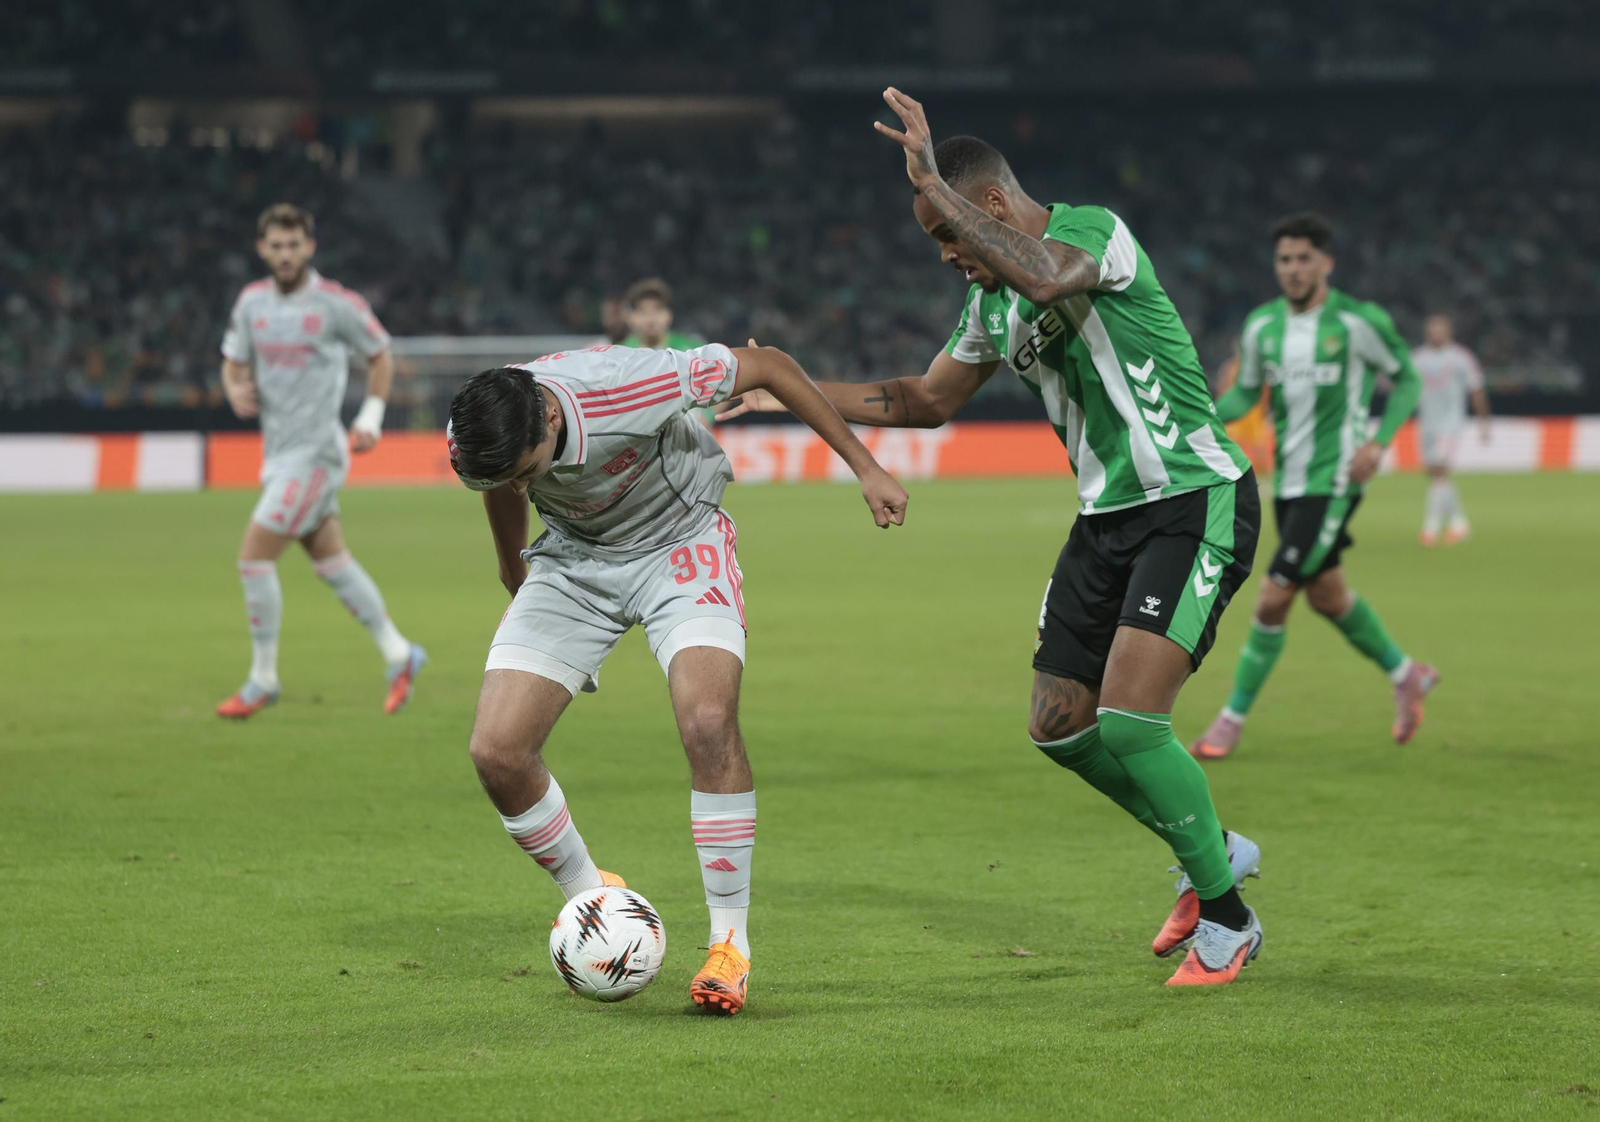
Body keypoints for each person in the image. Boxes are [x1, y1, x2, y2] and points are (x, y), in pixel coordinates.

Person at [724, 90, 1266, 986]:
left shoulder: (1094, 232)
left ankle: (1227, 916)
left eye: (952, 239)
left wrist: (935, 181)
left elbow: (1050, 276)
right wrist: (791, 387)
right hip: (1105, 519)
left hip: (1193, 497)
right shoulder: (990, 310)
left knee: (1133, 721)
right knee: (1059, 726)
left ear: (995, 209)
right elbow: (923, 401)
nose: (950, 262)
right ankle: (1211, 846)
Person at [447, 339, 907, 1015]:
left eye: (528, 471)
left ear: (548, 418)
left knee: (709, 722)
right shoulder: (482, 431)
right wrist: (513, 571)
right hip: (573, 564)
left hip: (680, 544)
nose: (521, 484)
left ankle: (729, 946)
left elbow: (773, 365)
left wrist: (866, 467)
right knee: (497, 751)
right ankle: (592, 894)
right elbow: (499, 483)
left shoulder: (628, 386)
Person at [1193, 214, 1438, 760]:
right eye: (1285, 259)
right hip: (1290, 482)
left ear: (1327, 263)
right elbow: (1245, 397)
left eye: (1305, 258)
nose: (1294, 269)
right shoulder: (1262, 327)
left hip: (1336, 479)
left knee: (1274, 596)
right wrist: (1203, 412)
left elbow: (1406, 378)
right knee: (1328, 597)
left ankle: (1231, 719)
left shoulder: (1357, 322)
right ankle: (1407, 674)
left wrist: (1379, 443)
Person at [217, 204, 425, 719]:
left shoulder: (336, 304)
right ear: (261, 249)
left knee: (253, 557)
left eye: (294, 245)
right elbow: (233, 360)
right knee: (332, 562)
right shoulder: (250, 304)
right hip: (279, 454)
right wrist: (233, 389)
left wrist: (372, 416)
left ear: (309, 247)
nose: (285, 255)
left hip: (316, 455)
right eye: (276, 245)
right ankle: (400, 654)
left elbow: (380, 353)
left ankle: (263, 678)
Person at [1412, 314, 1490, 546]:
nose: (1436, 333)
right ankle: (1459, 522)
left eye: (1440, 329)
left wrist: (1483, 422)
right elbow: (1405, 388)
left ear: (1449, 331)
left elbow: (1476, 390)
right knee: (1435, 475)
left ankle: (1431, 527)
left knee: (1440, 469)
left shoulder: (1461, 358)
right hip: (1427, 424)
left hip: (1451, 423)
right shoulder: (1417, 358)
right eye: (1432, 329)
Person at [621, 278, 714, 428]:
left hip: (689, 436)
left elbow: (724, 381)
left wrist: (708, 415)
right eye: (643, 311)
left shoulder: (692, 349)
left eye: (657, 309)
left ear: (668, 314)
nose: (651, 318)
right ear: (631, 317)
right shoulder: (621, 355)